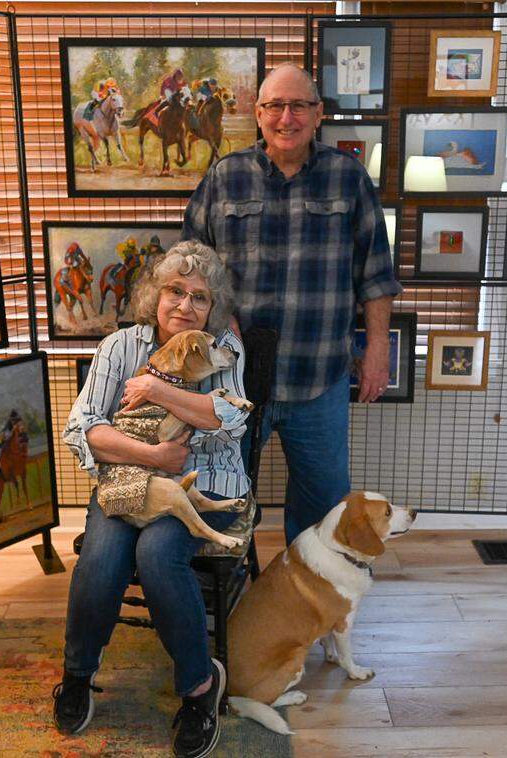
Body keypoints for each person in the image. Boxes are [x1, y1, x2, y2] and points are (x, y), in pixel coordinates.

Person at [182, 62, 401, 544]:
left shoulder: (349, 179)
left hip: (318, 377)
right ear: (258, 114)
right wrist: (218, 320)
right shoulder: (225, 177)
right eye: (275, 106)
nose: (287, 117)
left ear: (318, 113)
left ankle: (308, 604)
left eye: (298, 105)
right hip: (233, 378)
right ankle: (224, 596)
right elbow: (190, 265)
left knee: (324, 511)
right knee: (221, 496)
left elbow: (376, 275)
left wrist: (379, 352)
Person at [54, 240, 249, 758]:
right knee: (101, 557)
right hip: (126, 479)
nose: (185, 306)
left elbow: (226, 418)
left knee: (157, 555)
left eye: (199, 297)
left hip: (204, 479)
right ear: (154, 296)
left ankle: (199, 686)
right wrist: (156, 456)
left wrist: (157, 391)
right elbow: (83, 428)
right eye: (175, 291)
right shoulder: (120, 347)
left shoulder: (223, 347)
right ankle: (77, 675)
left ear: (214, 308)